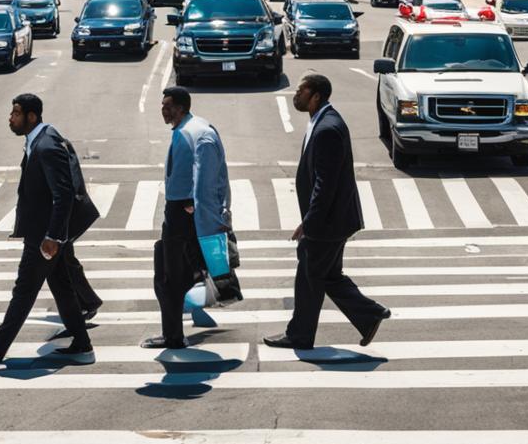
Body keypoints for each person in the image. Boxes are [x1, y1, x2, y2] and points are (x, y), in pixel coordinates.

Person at [0, 94, 100, 364]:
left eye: (15, 113)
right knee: (62, 287)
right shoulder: (40, 140)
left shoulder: (46, 146)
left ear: (31, 117)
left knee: (24, 291)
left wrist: (53, 237)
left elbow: (62, 195)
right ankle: (82, 344)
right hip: (46, 234)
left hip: (44, 237)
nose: (10, 118)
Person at [263, 74, 390, 351]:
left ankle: (300, 335)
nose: (295, 95)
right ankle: (369, 315)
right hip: (331, 220)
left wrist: (309, 222)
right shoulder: (321, 122)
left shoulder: (327, 128)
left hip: (328, 223)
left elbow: (325, 183)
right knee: (327, 276)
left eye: (301, 91)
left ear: (316, 95)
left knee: (309, 278)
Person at [142, 87, 238, 350]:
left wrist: (204, 214)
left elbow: (205, 179)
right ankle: (183, 320)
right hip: (186, 212)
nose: (164, 109)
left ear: (182, 108)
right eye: (162, 105)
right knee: (178, 274)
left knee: (168, 279)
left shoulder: (192, 132)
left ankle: (173, 335)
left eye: (169, 105)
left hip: (184, 216)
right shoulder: (193, 128)